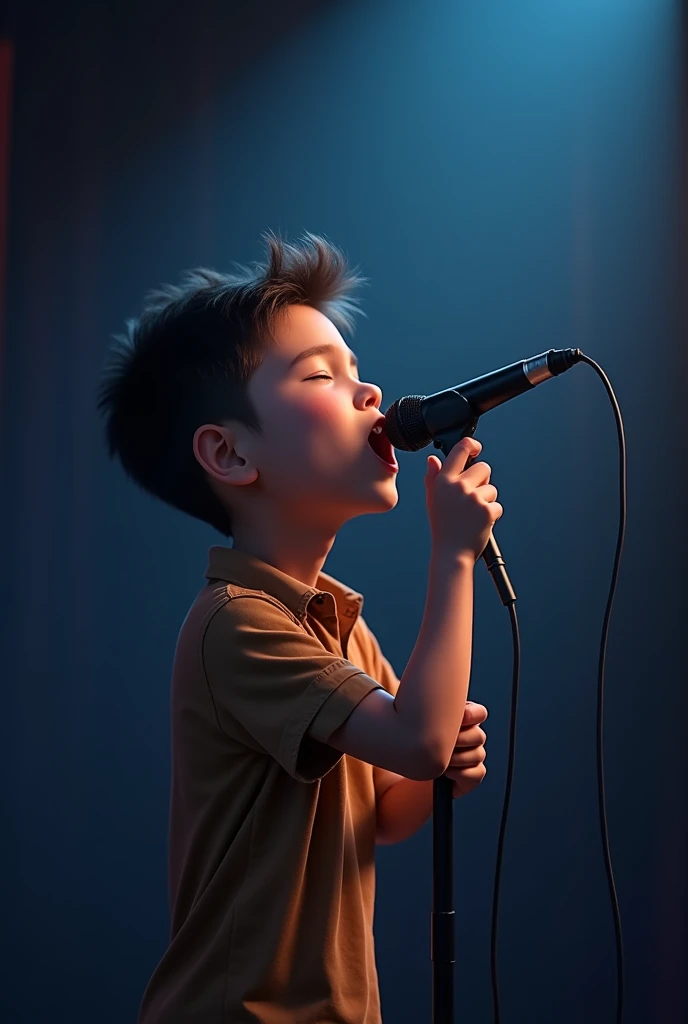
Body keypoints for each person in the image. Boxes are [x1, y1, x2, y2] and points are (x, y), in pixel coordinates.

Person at [98, 231, 502, 1024]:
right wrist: (454, 557)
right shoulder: (236, 624)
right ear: (228, 451)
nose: (369, 392)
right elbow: (413, 738)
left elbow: (389, 807)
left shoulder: (340, 626)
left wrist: (440, 763)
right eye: (321, 374)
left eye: (357, 370)